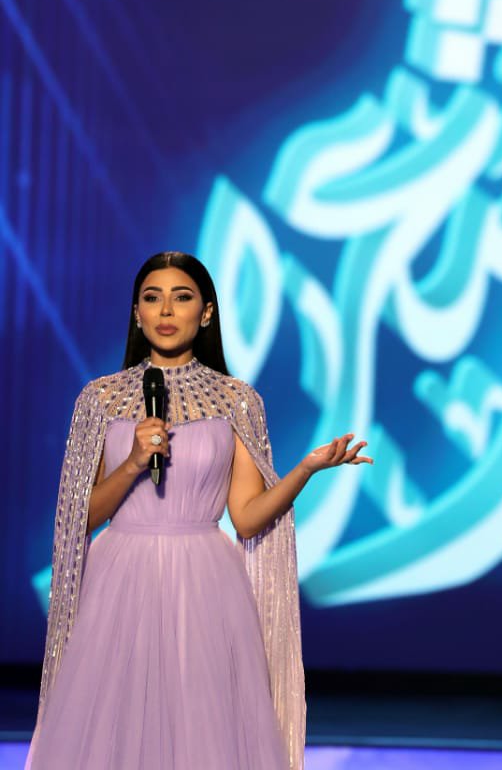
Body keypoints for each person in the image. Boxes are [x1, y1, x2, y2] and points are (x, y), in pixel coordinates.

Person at [26, 250, 371, 770]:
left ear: (206, 312)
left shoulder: (237, 400)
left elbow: (247, 516)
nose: (166, 310)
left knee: (201, 731)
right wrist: (133, 463)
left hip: (206, 582)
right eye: (152, 298)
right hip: (119, 578)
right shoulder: (100, 399)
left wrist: (305, 469)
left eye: (181, 297)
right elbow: (79, 517)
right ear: (137, 313)